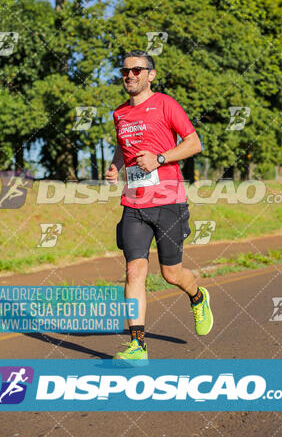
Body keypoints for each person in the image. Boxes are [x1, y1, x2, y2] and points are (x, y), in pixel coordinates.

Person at [105, 50, 213, 361]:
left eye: (137, 70)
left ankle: (197, 296)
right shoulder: (120, 114)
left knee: (171, 273)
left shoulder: (166, 104)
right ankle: (137, 345)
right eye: (125, 71)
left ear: (151, 74)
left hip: (169, 201)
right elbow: (121, 147)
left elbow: (194, 143)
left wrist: (160, 159)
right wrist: (115, 167)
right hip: (134, 203)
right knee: (133, 270)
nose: (130, 75)